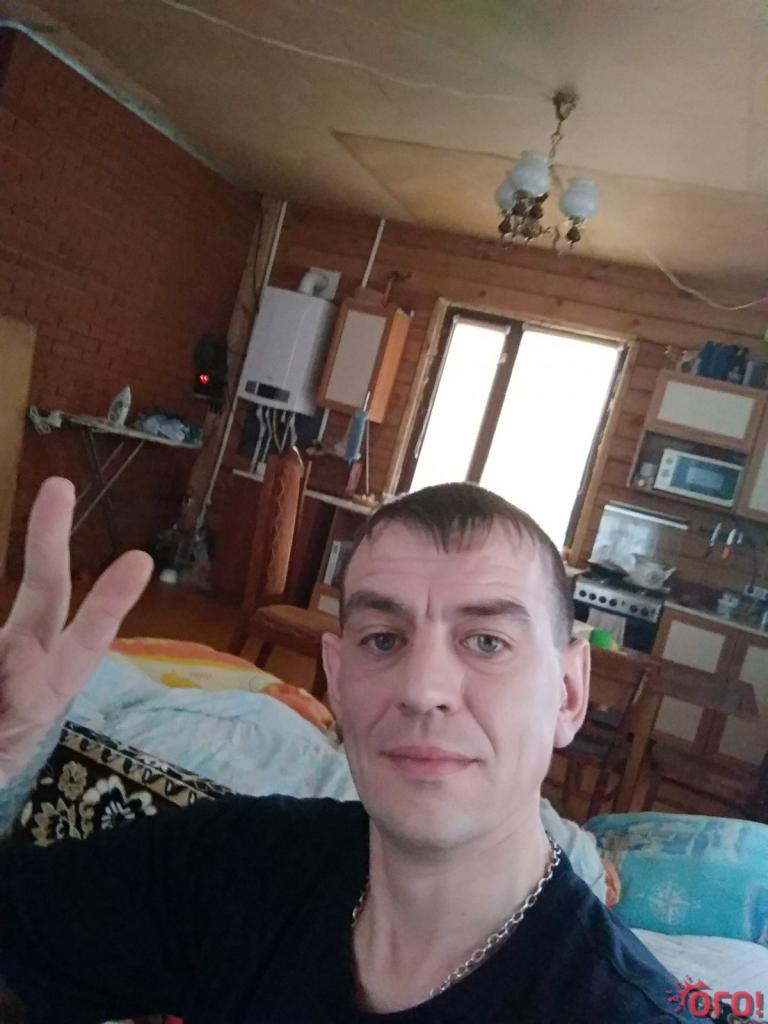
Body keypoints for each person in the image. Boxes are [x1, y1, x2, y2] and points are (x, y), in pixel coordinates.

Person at [0, 477, 720, 1023]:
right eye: (384, 639)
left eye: (486, 641)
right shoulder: (236, 862)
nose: (423, 688)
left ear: (567, 693)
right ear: (337, 682)